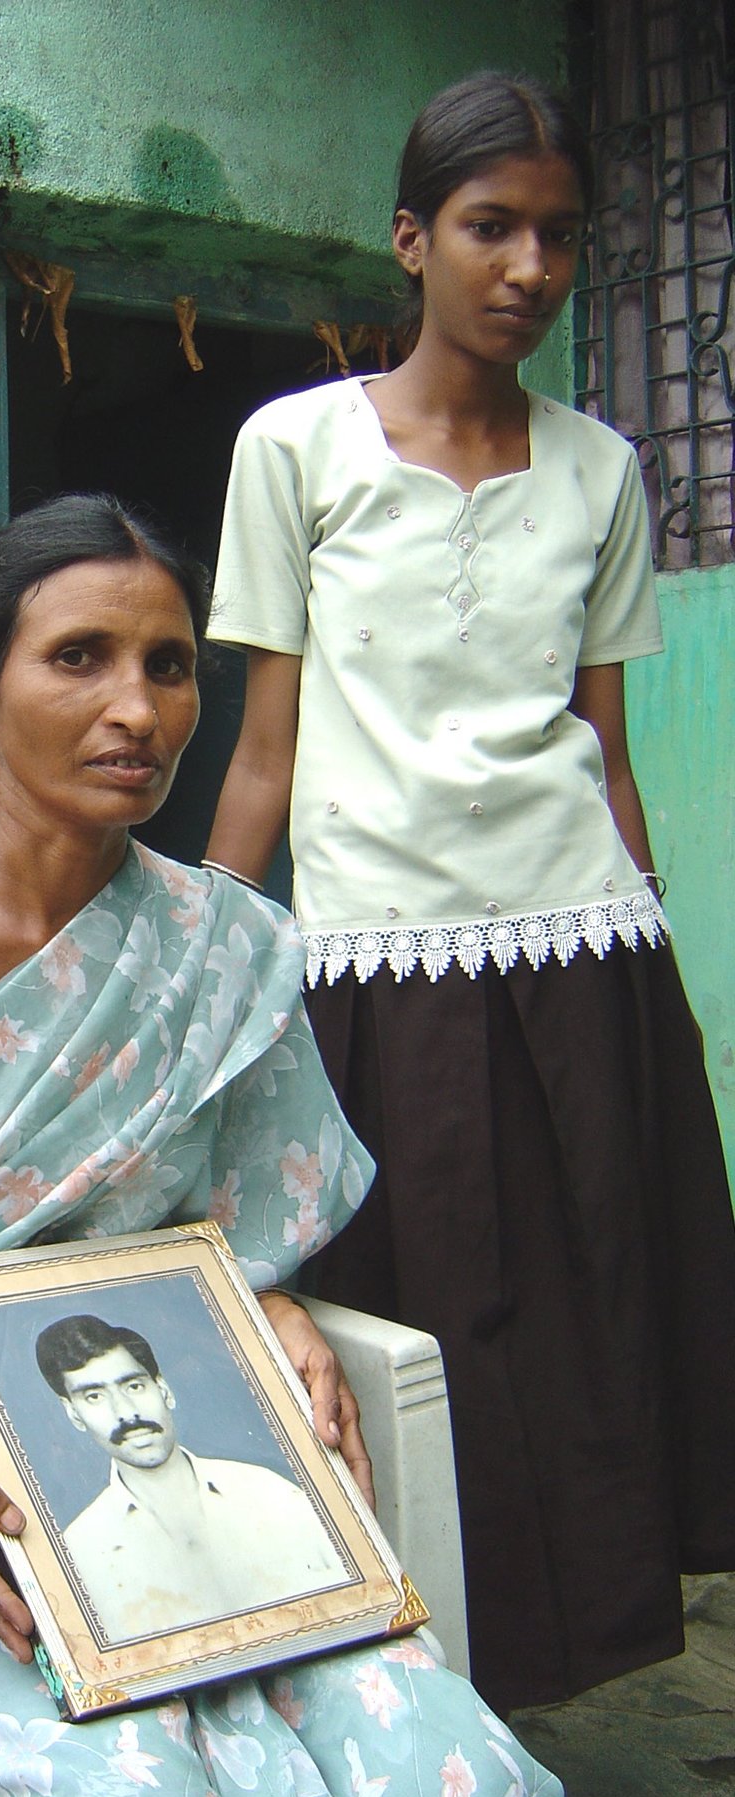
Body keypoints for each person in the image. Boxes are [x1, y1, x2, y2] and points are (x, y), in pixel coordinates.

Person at [0, 492, 567, 1797]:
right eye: (80, 657)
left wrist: (269, 1300)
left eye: (169, 666)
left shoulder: (224, 948)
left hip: (184, 1473)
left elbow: (224, 1221)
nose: (138, 708)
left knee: (471, 1786)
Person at [204, 70, 735, 1714]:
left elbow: (607, 750)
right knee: (412, 1335)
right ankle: (406, 1693)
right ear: (410, 239)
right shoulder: (295, 449)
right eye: (491, 228)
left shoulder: (603, 470)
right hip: (372, 965)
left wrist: (667, 1001)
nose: (529, 268)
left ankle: (558, 1690)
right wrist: (201, 973)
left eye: (560, 237)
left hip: (582, 957)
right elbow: (267, 757)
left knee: (596, 1322)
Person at [36, 1313, 347, 1641]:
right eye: (94, 1397)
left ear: (164, 1390)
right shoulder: (79, 1553)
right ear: (74, 1414)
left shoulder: (272, 1493)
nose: (126, 1412)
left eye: (134, 1386)